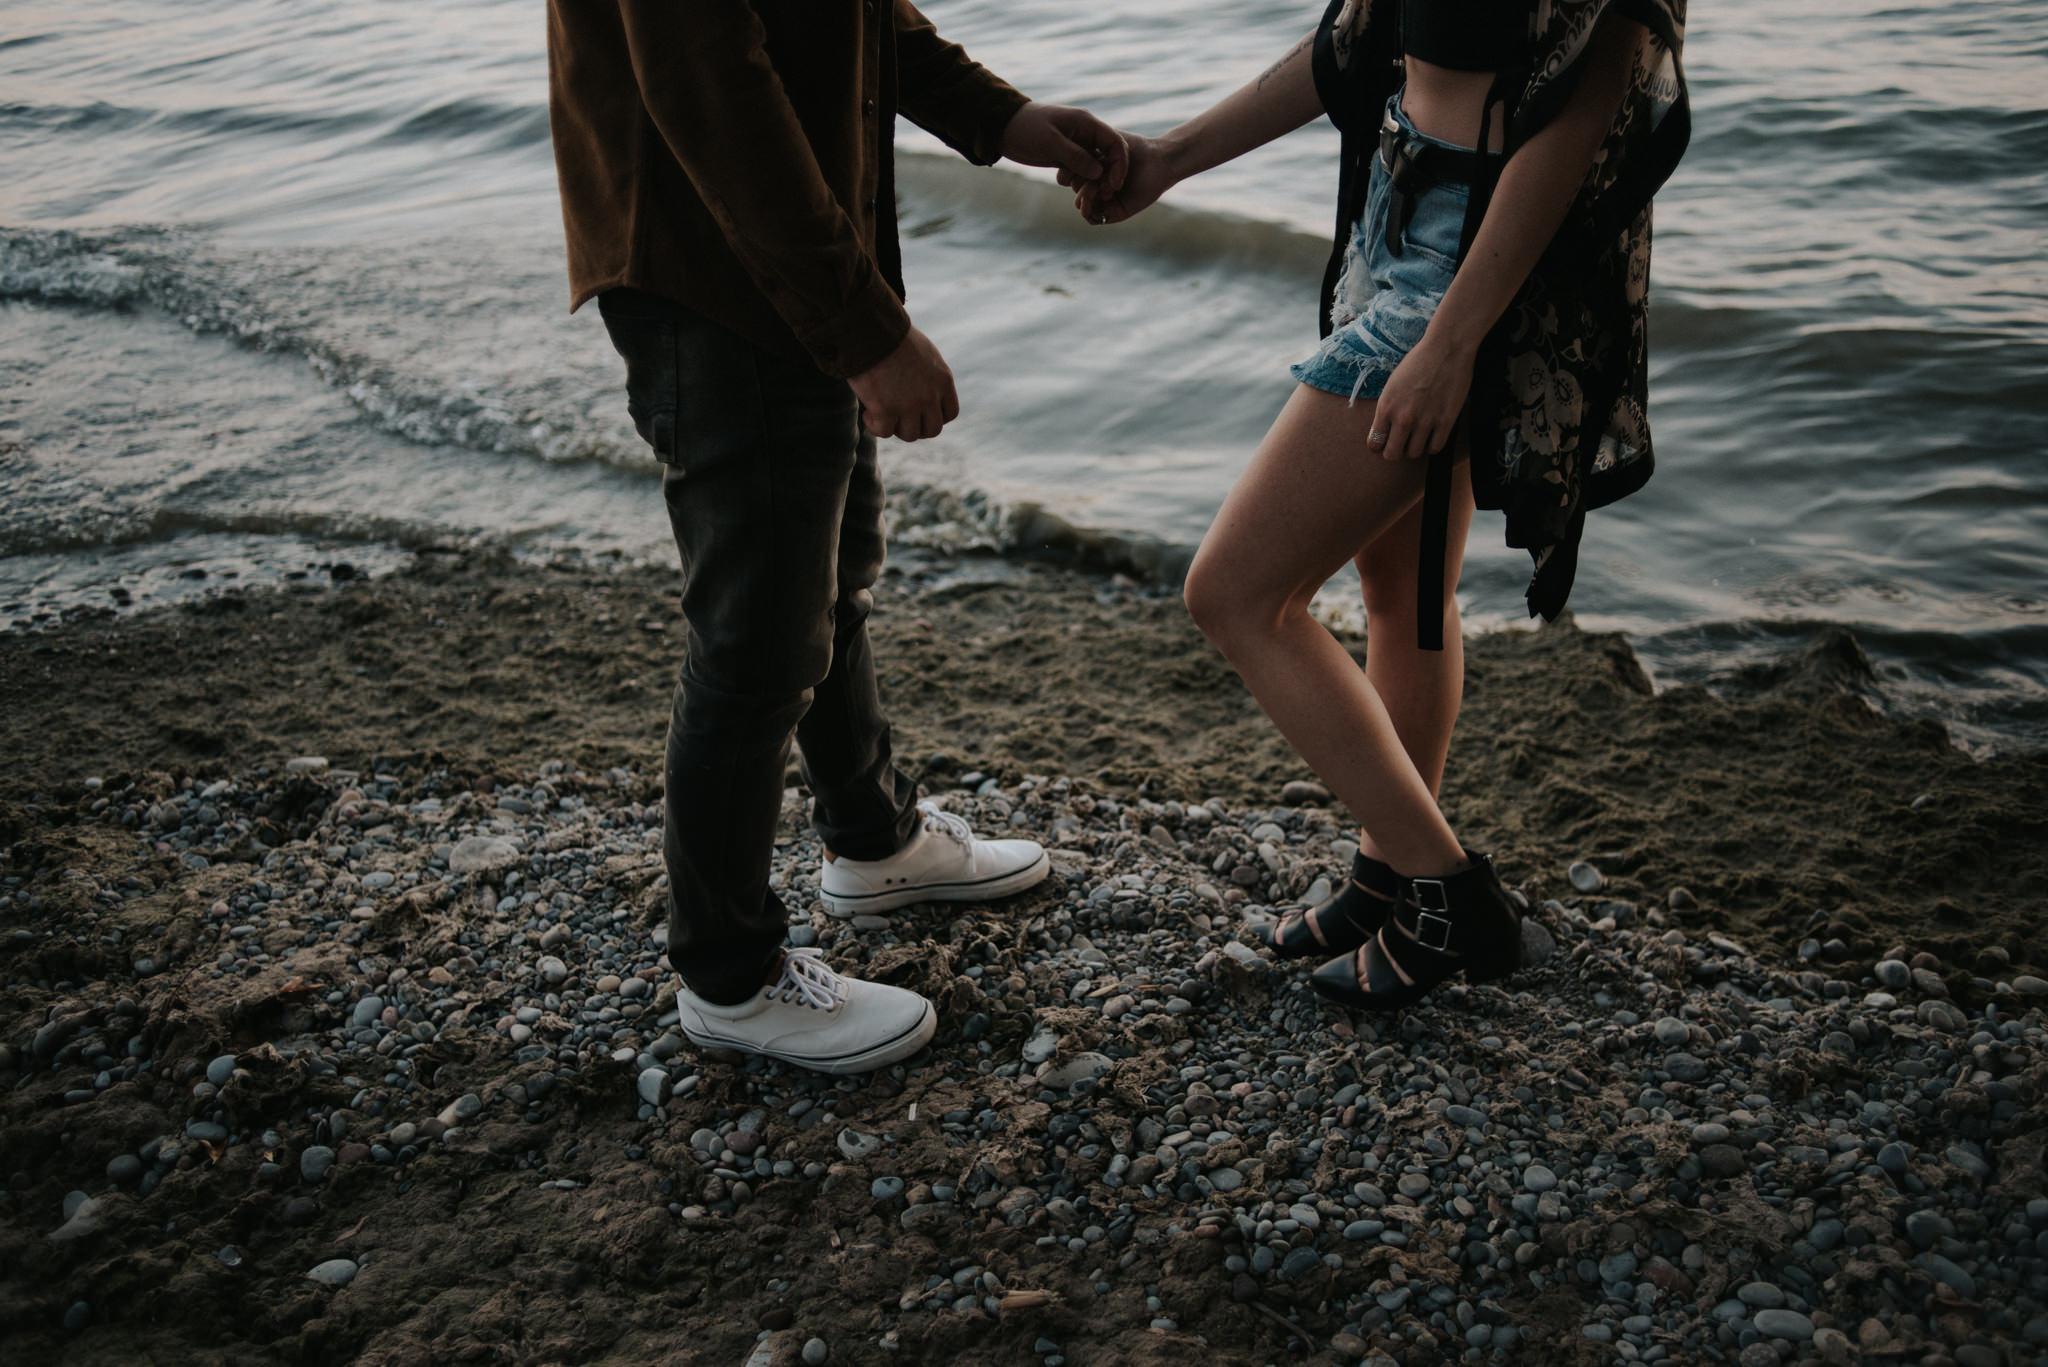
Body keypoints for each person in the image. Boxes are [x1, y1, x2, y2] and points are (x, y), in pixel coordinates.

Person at [1069, 0, 1689, 1009]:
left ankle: (1452, 897)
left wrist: (1451, 344)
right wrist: (1169, 156)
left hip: (1465, 263)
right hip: (1391, 214)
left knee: (1235, 594)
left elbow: (1576, 125)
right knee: (1398, 591)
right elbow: (1354, 47)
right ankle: (1390, 873)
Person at [546, 2, 1129, 1073]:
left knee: (825, 581)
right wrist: (865, 330)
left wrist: (1003, 118)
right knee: (756, 636)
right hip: (713, 271)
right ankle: (728, 974)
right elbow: (708, 88)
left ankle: (874, 840)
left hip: (787, 250)